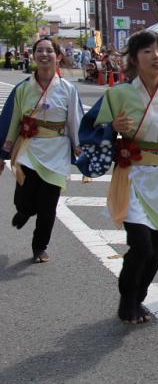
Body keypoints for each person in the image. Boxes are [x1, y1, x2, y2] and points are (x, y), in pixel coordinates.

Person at [77, 30, 158, 324]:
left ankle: (138, 296)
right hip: (132, 175)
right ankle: (126, 298)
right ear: (134, 58)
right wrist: (114, 128)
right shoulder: (118, 94)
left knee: (156, 246)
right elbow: (92, 131)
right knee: (141, 244)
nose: (156, 56)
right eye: (147, 51)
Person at [0, 38, 83, 263]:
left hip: (57, 152)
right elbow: (14, 119)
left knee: (48, 205)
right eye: (39, 50)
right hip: (28, 149)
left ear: (58, 56)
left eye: (49, 50)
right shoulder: (23, 88)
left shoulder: (68, 89)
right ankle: (25, 211)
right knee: (24, 199)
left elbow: (75, 120)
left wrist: (79, 148)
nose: (44, 54)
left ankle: (39, 246)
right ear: (33, 55)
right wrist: (3, 152)